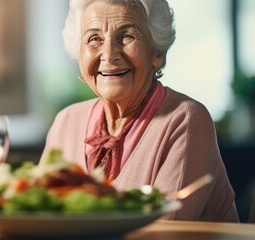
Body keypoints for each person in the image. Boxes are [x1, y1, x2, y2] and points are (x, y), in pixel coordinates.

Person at [40, 0, 239, 222]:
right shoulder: (66, 122)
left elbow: (163, 231)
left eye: (127, 36)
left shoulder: (185, 119)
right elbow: (37, 217)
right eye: (94, 38)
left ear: (157, 54)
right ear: (80, 54)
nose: (109, 54)